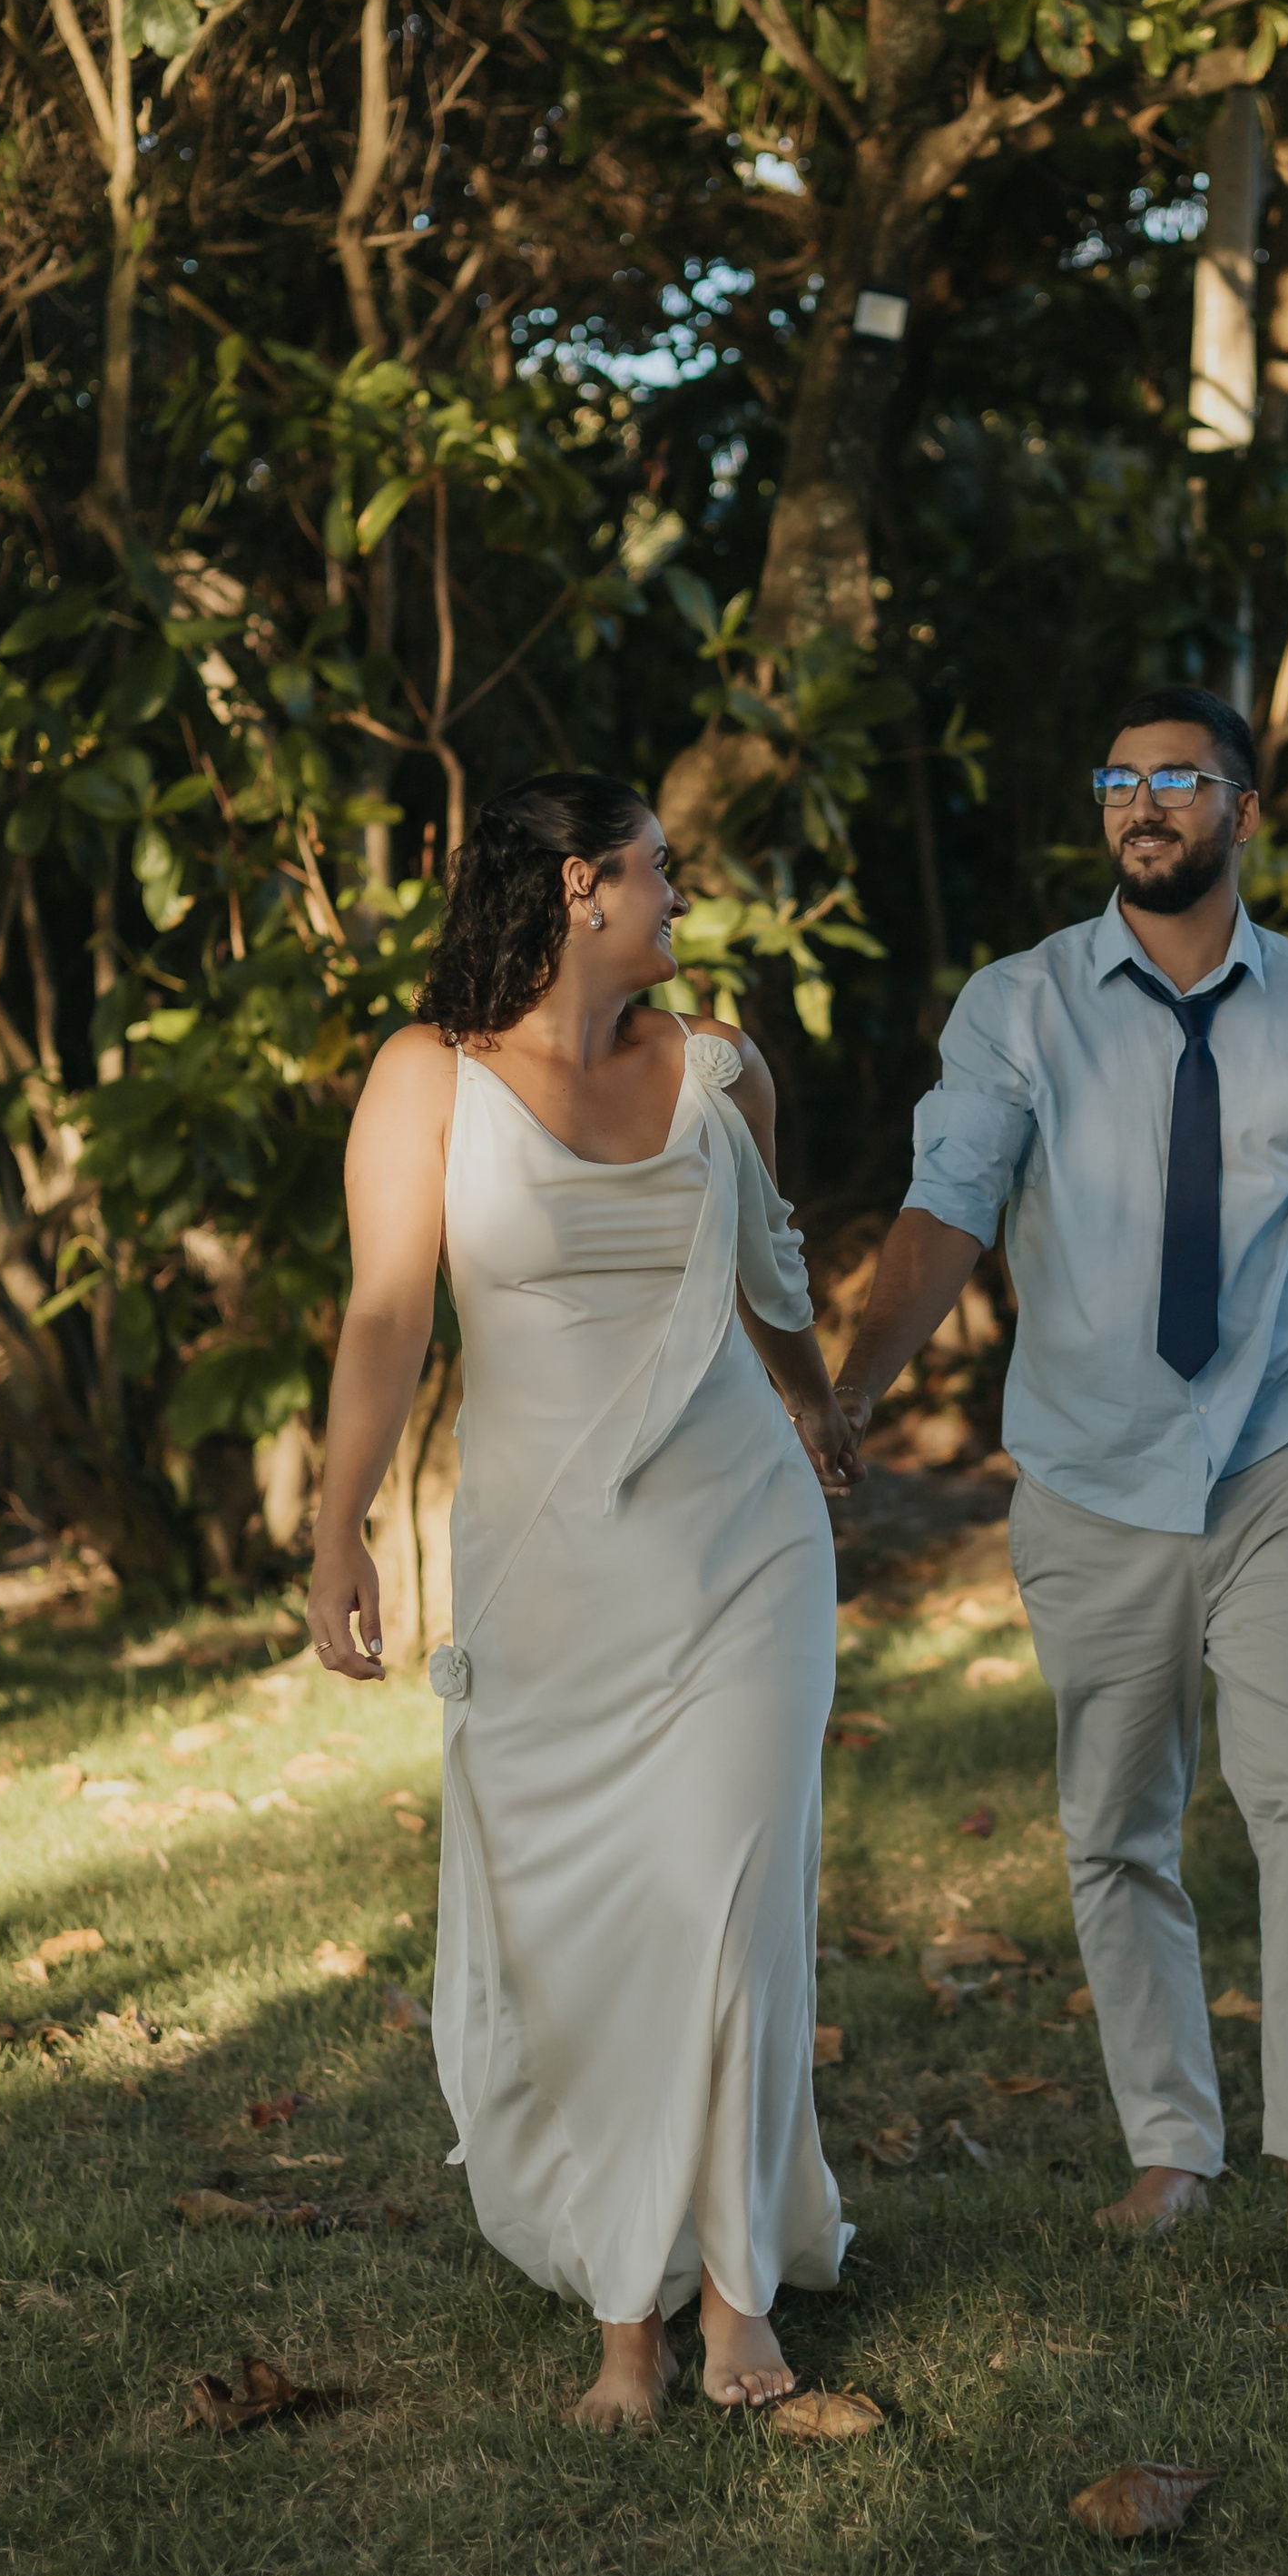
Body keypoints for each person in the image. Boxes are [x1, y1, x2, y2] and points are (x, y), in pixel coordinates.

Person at [833, 686, 1288, 2241]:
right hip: (1091, 1470)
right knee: (1116, 1823)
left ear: (1244, 808)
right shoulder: (1015, 1004)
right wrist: (848, 1393)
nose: (1144, 804)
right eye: (1120, 780)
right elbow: (946, 1202)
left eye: (1179, 779)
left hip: (1277, 1448)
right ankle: (1171, 2144)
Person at [306, 773, 860, 2425]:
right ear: (574, 887)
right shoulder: (429, 1082)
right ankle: (628, 2313)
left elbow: (768, 1275)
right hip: (550, 1573)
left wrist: (821, 1409)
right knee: (602, 1930)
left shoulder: (720, 1069)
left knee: (736, 1900)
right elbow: (388, 1319)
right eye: (657, 873)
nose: (680, 900)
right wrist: (341, 1530)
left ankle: (740, 2299)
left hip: (740, 1547)